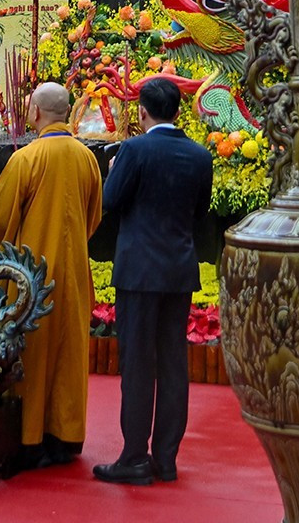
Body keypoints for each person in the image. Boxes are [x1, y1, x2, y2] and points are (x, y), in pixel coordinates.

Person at [93, 77, 215, 486]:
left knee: (138, 364)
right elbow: (201, 213)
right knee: (173, 365)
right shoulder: (199, 156)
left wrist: (114, 172)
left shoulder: (133, 149)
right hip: (177, 270)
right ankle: (165, 459)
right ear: (178, 111)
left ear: (142, 111)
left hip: (139, 271)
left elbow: (111, 202)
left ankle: (133, 457)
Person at [0, 82, 103, 468]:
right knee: (69, 352)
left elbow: (0, 219)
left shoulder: (27, 158)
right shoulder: (86, 157)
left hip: (30, 278)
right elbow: (94, 217)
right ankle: (66, 435)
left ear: (35, 114)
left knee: (31, 356)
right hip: (72, 273)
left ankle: (29, 438)